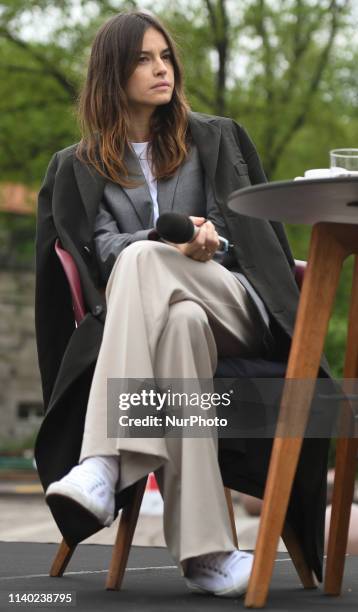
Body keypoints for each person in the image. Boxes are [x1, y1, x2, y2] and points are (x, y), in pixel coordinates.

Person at [34, 10, 330, 598]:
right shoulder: (80, 165)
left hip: (235, 301)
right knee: (177, 323)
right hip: (163, 315)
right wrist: (163, 239)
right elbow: (97, 252)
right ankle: (207, 554)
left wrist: (203, 239)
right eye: (143, 59)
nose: (160, 69)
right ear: (111, 74)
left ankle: (104, 462)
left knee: (148, 264)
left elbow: (241, 227)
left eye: (164, 56)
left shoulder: (216, 136)